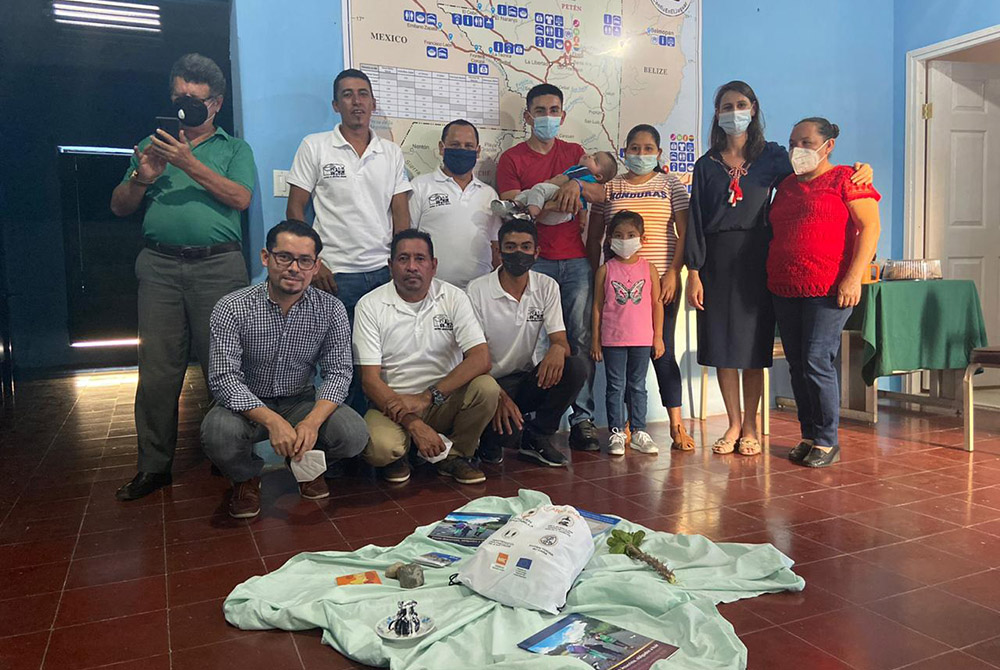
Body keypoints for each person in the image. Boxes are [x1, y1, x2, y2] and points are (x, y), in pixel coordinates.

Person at [683, 81, 873, 457]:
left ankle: (752, 425)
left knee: (752, 348)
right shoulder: (705, 164)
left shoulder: (772, 156)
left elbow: (816, 170)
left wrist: (860, 168)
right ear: (716, 113)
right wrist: (695, 272)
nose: (732, 112)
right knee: (722, 346)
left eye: (740, 104)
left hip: (759, 257)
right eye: (725, 106)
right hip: (717, 260)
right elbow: (696, 220)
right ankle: (733, 423)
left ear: (753, 109)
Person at [109, 53, 256, 501]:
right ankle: (154, 467)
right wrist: (141, 176)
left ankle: (229, 457)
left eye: (194, 100)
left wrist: (189, 164)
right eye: (178, 98)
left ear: (216, 104)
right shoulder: (150, 144)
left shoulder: (234, 149)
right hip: (159, 268)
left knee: (224, 366)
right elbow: (119, 206)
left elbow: (241, 197)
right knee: (157, 372)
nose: (184, 107)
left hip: (219, 266)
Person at [200, 221, 369, 518]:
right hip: (247, 405)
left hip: (299, 400)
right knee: (217, 434)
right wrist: (273, 421)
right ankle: (246, 477)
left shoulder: (331, 309)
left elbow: (339, 372)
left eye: (305, 260)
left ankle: (304, 463)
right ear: (266, 257)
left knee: (354, 434)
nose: (294, 268)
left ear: (316, 266)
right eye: (284, 257)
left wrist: (312, 422)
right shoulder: (232, 307)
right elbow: (224, 378)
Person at [286, 67, 411, 411]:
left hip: (382, 276)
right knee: (339, 366)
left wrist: (402, 266)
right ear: (335, 104)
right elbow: (296, 210)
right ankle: (344, 447)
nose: (356, 102)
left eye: (363, 94)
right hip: (335, 277)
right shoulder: (315, 146)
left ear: (373, 102)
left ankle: (375, 444)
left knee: (381, 364)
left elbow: (401, 215)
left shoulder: (391, 152)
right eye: (347, 94)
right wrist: (315, 264)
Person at [569, 124, 695, 451]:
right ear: (624, 152)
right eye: (634, 148)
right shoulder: (610, 187)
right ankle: (625, 426)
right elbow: (595, 235)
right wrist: (596, 275)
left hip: (658, 284)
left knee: (661, 351)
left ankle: (676, 425)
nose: (641, 154)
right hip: (616, 287)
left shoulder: (671, 185)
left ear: (659, 152)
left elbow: (685, 233)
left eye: (648, 148)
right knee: (622, 357)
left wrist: (673, 273)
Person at [767, 118, 880, 468]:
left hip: (829, 288)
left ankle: (828, 439)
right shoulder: (785, 185)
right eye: (792, 142)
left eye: (806, 142)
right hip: (785, 286)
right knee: (798, 364)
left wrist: (853, 278)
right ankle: (808, 434)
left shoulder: (849, 178)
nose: (798, 150)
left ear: (827, 146)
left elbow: (870, 228)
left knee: (817, 359)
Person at [496, 83, 602, 452]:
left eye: (554, 110)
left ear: (563, 115)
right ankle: (540, 421)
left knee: (578, 340)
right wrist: (568, 188)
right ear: (527, 117)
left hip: (574, 261)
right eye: (539, 111)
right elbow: (514, 206)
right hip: (532, 262)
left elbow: (599, 194)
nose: (547, 117)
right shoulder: (511, 159)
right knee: (533, 342)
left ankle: (583, 418)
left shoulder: (574, 153)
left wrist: (577, 183)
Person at [353, 229, 499, 485]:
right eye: (403, 259)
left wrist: (426, 397)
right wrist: (413, 422)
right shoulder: (370, 305)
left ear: (433, 265)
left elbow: (480, 358)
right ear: (390, 265)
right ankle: (402, 454)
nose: (412, 267)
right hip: (392, 405)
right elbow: (370, 381)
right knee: (381, 449)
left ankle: (453, 456)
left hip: (441, 400)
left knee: (487, 388)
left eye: (420, 259)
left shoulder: (454, 297)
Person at [467, 219, 586, 467]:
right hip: (487, 382)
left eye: (525, 246)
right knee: (503, 434)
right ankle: (489, 440)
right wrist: (499, 397)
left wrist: (557, 348)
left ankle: (537, 437)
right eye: (510, 247)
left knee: (574, 366)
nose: (518, 253)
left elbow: (560, 340)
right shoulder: (476, 290)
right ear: (498, 251)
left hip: (524, 378)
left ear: (537, 252)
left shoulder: (546, 286)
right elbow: (472, 358)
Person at [590, 211, 664, 456]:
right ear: (610, 238)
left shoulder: (649, 269)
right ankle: (616, 432)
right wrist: (596, 340)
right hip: (613, 340)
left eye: (631, 235)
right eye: (619, 235)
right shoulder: (606, 270)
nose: (625, 239)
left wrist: (658, 336)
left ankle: (639, 431)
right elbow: (598, 307)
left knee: (637, 386)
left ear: (642, 237)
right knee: (615, 386)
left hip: (642, 339)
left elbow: (656, 304)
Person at [408, 119, 499, 288]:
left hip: (479, 292)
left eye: (468, 146)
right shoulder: (420, 187)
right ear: (442, 148)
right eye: (455, 145)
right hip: (432, 290)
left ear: (477, 151)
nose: (462, 150)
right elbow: (408, 241)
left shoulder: (489, 194)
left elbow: (495, 247)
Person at [513, 150, 619, 220]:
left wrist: (548, 183)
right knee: (530, 193)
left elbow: (562, 179)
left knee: (537, 189)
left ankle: (528, 213)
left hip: (560, 205)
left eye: (595, 160)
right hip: (564, 216)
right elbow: (583, 208)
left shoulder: (583, 171)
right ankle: (516, 208)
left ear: (598, 177)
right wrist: (582, 222)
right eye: (593, 154)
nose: (590, 156)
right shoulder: (589, 182)